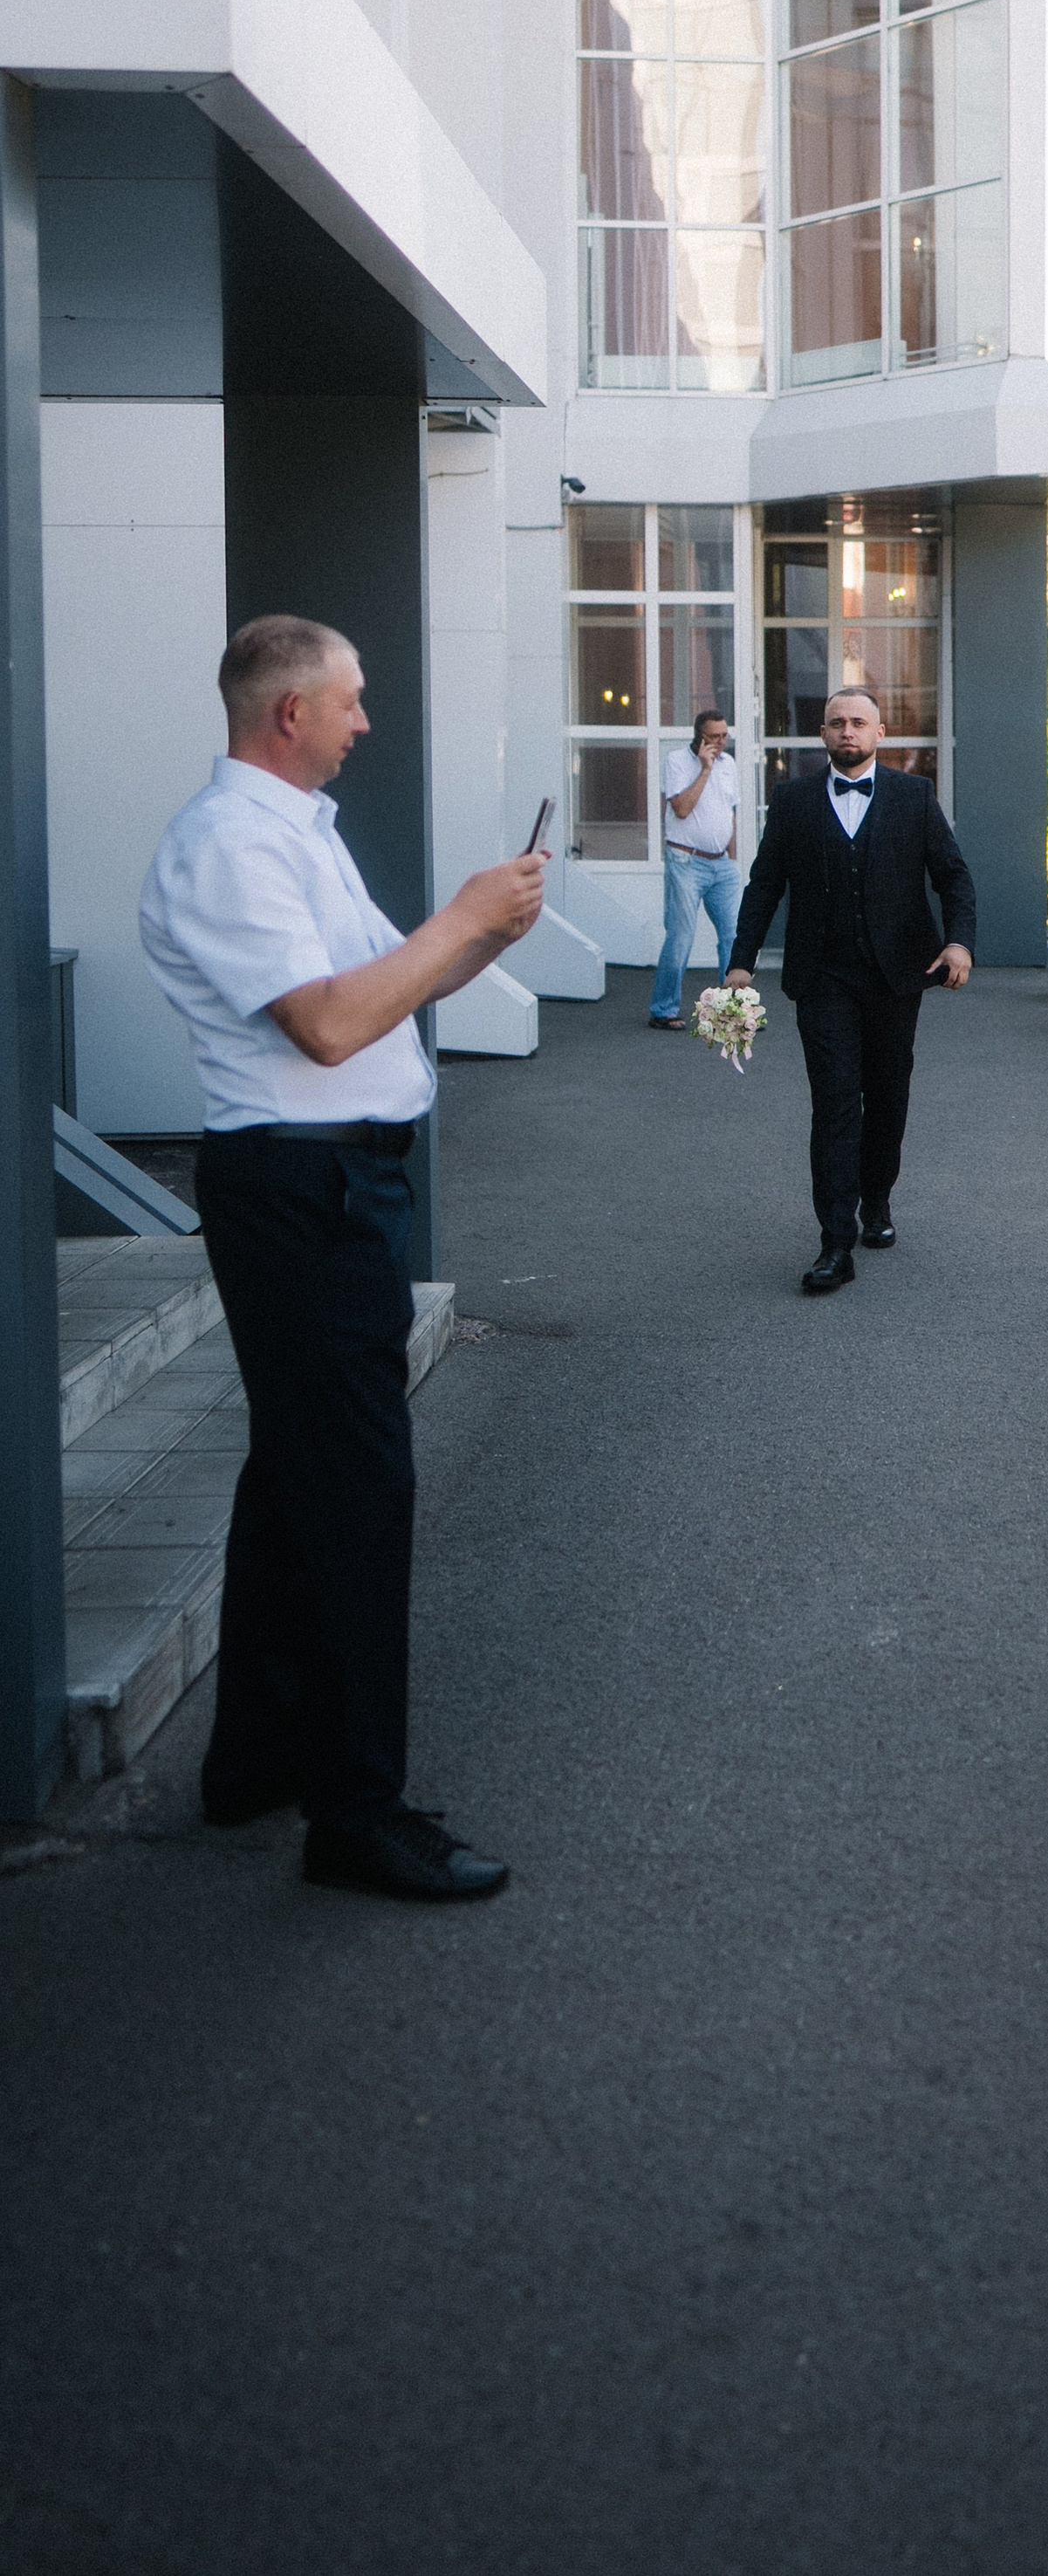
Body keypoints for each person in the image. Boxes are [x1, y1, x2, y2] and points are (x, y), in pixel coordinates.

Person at [140, 615, 545, 1899]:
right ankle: (356, 1815)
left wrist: (487, 932)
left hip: (335, 1183)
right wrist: (459, 914)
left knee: (293, 1474)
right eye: (352, 700)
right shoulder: (228, 843)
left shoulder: (297, 832)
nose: (366, 721)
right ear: (289, 713)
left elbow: (390, 984)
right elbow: (327, 1024)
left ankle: (254, 1758)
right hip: (297, 1186)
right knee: (359, 1493)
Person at [724, 685, 976, 1295]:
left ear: (879, 732)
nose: (847, 731)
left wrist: (959, 943)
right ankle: (835, 1243)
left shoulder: (914, 796)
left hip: (897, 976)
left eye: (859, 722)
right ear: (822, 733)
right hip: (822, 978)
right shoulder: (792, 801)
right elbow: (764, 885)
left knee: (887, 1096)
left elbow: (952, 876)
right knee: (835, 1103)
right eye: (837, 722)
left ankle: (877, 1199)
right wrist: (740, 965)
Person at [648, 708, 741, 1032]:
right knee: (681, 936)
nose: (720, 742)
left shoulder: (730, 765)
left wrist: (732, 859)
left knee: (733, 937)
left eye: (724, 735)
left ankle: (734, 1011)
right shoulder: (677, 761)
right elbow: (681, 809)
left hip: (721, 864)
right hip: (686, 861)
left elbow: (730, 813)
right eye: (713, 737)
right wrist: (705, 769)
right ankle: (663, 1009)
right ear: (699, 737)